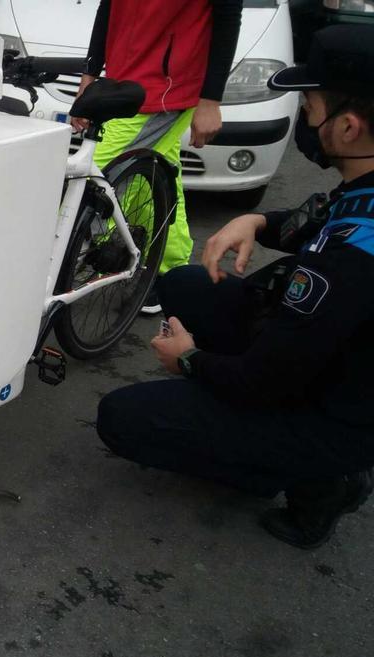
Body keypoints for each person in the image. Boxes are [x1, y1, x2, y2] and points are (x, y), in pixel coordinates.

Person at [95, 25, 374, 550]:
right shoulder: (366, 187)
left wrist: (190, 361)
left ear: (350, 127)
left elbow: (264, 379)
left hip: (333, 413)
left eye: (311, 108)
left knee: (123, 419)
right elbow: (329, 218)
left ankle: (311, 480)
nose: (306, 122)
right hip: (325, 359)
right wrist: (260, 221)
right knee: (187, 284)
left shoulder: (350, 267)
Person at [73, 0, 243, 315]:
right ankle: (170, 274)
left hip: (166, 90)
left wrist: (210, 100)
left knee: (91, 178)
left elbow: (228, 15)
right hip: (125, 82)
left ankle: (56, 268)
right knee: (161, 176)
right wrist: (91, 72)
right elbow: (108, 7)